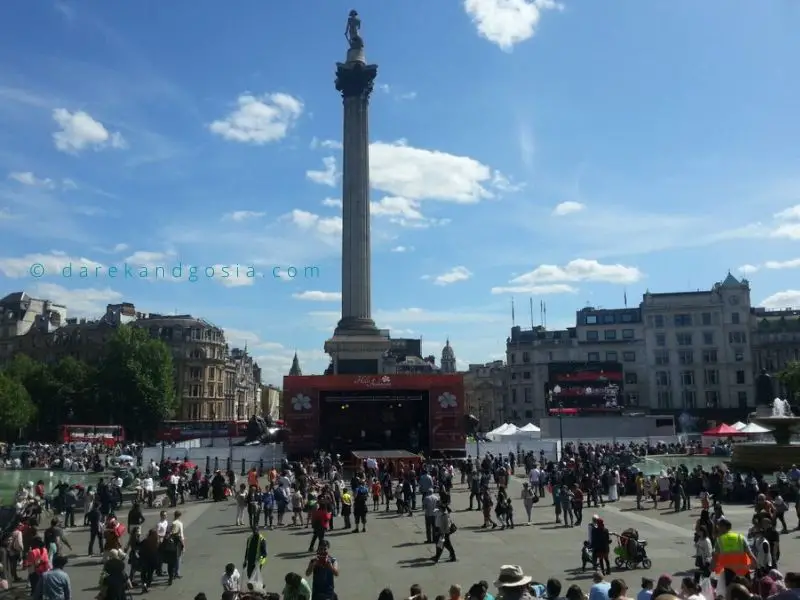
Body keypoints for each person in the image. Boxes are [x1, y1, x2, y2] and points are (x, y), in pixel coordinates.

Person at [433, 499, 456, 563]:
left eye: (438, 506)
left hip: (443, 531)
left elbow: (445, 525)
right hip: (443, 531)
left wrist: (442, 532)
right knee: (444, 545)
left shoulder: (444, 515)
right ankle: (452, 556)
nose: (437, 507)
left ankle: (437, 558)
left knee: (441, 545)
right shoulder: (441, 512)